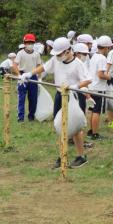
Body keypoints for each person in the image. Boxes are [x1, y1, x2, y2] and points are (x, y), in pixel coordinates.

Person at [20, 37, 92, 168]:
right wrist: (30, 73)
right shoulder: (56, 59)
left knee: (75, 128)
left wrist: (76, 86)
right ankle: (62, 156)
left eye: (59, 54)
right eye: (57, 54)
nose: (57, 56)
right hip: (60, 94)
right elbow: (44, 67)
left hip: (74, 96)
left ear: (68, 51)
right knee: (59, 126)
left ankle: (81, 156)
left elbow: (88, 79)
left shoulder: (78, 64)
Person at [87, 35, 113, 140]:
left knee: (92, 110)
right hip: (99, 88)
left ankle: (91, 131)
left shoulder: (94, 56)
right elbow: (101, 74)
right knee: (96, 111)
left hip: (91, 86)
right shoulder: (102, 58)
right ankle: (95, 134)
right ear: (106, 48)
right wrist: (109, 77)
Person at [12, 33, 42, 122]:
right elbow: (14, 65)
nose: (29, 44)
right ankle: (20, 118)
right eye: (27, 42)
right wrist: (19, 75)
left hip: (33, 76)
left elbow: (39, 66)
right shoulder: (20, 53)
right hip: (22, 75)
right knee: (21, 98)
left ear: (34, 43)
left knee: (33, 98)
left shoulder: (37, 54)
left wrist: (40, 78)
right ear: (24, 43)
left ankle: (31, 117)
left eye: (31, 42)